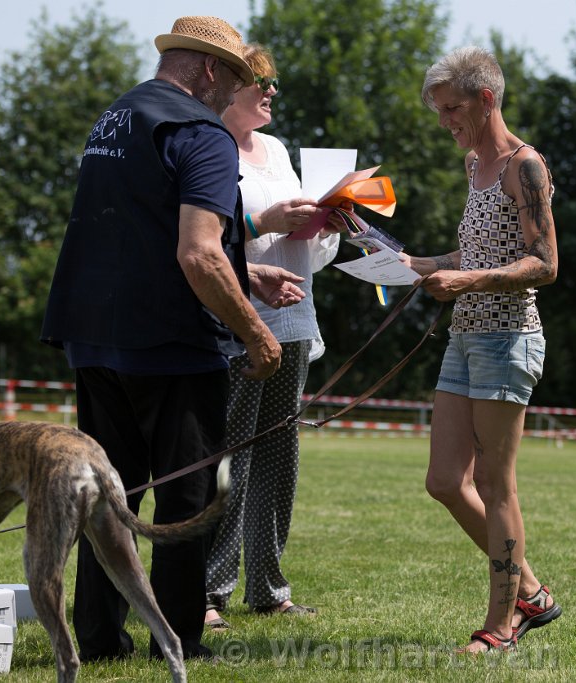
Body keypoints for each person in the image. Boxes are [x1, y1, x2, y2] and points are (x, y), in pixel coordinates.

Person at [40, 16, 309, 662]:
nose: (237, 91)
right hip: (169, 344)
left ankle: (103, 637)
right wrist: (255, 333)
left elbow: (142, 232)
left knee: (111, 491)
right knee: (187, 494)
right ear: (212, 71)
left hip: (94, 338)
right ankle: (179, 638)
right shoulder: (202, 131)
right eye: (239, 78)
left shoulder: (117, 117)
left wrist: (247, 273)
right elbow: (196, 254)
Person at [402, 46, 562, 653]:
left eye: (451, 109)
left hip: (508, 338)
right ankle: (532, 591)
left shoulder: (527, 166)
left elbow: (544, 264)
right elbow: (471, 254)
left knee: (496, 484)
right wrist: (404, 262)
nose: (445, 121)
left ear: (485, 99)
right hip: (465, 338)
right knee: (445, 480)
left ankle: (503, 624)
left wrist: (464, 281)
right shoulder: (475, 165)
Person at [203, 43, 342, 629]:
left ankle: (268, 587)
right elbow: (205, 236)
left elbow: (308, 248)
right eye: (261, 81)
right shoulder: (205, 144)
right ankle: (207, 593)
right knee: (226, 457)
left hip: (291, 321)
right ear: (230, 85)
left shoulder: (279, 150)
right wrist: (265, 222)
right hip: (236, 322)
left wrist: (324, 224)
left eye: (273, 81)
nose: (271, 91)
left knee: (278, 455)